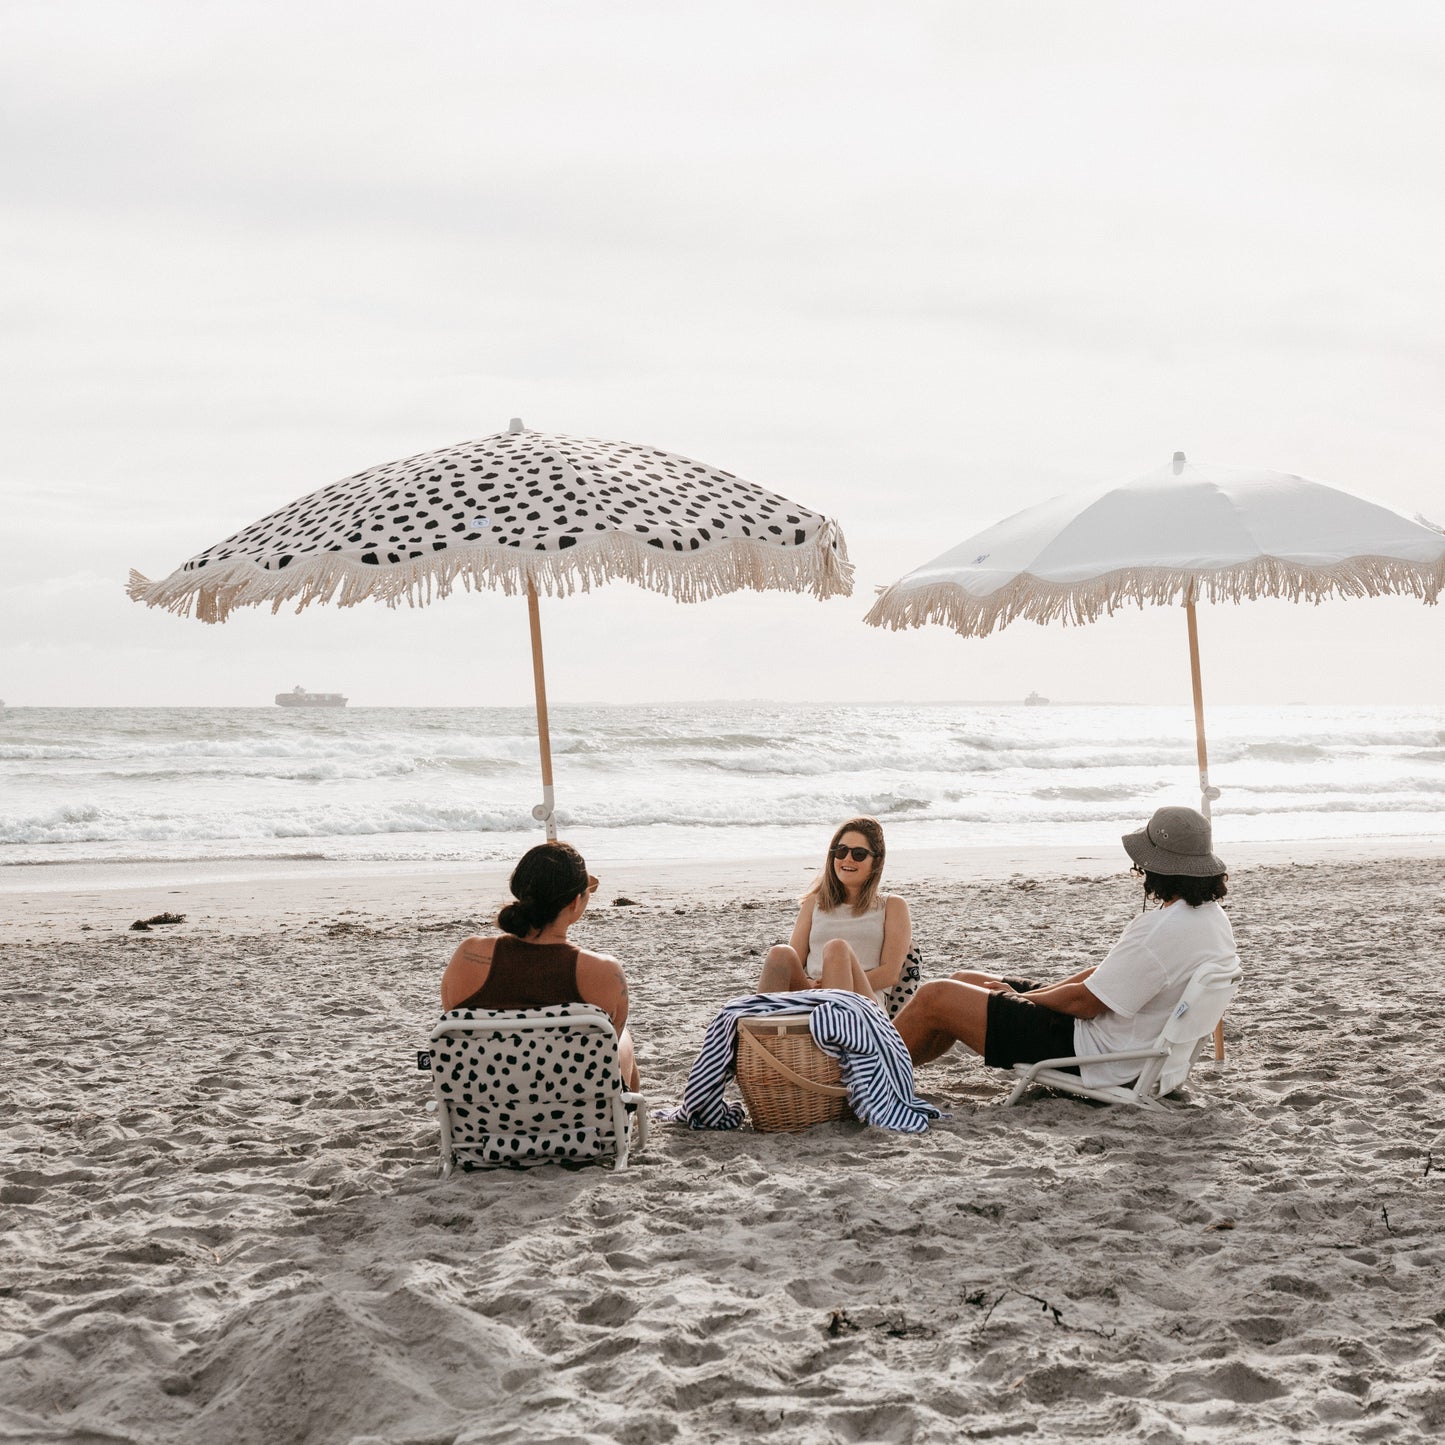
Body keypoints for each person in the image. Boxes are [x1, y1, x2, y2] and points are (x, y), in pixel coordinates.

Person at [893, 806, 1235, 1088]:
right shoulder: (1210, 919)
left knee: (936, 996)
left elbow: (1083, 1004)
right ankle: (890, 1075)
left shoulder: (1160, 930)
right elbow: (1103, 978)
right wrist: (1035, 993)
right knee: (966, 978)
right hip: (1129, 1049)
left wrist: (1022, 1000)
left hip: (1096, 1057)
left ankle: (859, 1078)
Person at [440, 840, 640, 1089]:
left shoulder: (468, 955)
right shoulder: (605, 972)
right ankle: (625, 1127)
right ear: (575, 903)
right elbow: (608, 1050)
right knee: (624, 1042)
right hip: (577, 1117)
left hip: (485, 1115)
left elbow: (458, 1032)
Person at [756, 816, 912, 1009]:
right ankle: (759, 1031)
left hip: (861, 1000)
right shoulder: (814, 902)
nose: (847, 858)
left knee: (837, 949)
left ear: (876, 861)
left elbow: (890, 973)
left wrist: (835, 983)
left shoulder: (892, 905)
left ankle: (835, 1028)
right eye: (841, 851)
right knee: (780, 954)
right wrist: (813, 985)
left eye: (859, 854)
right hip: (813, 994)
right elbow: (794, 961)